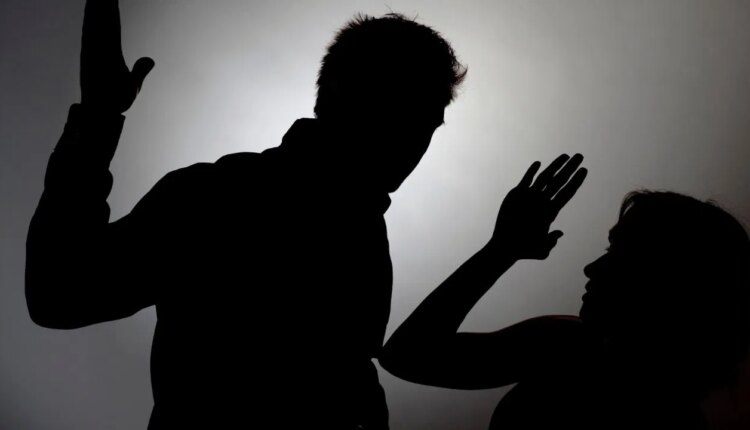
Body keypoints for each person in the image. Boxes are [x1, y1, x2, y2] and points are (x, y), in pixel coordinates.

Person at [25, 1, 466, 428]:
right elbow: (59, 293)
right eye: (402, 108)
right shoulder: (220, 197)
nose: (415, 141)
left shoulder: (361, 232)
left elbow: (336, 374)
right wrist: (97, 117)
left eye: (427, 124)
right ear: (342, 89)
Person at [379, 156, 750, 429]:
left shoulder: (567, 349)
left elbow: (407, 356)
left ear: (669, 279)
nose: (592, 268)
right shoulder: (568, 345)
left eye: (621, 253)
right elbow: (405, 356)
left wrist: (501, 251)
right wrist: (502, 249)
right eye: (609, 248)